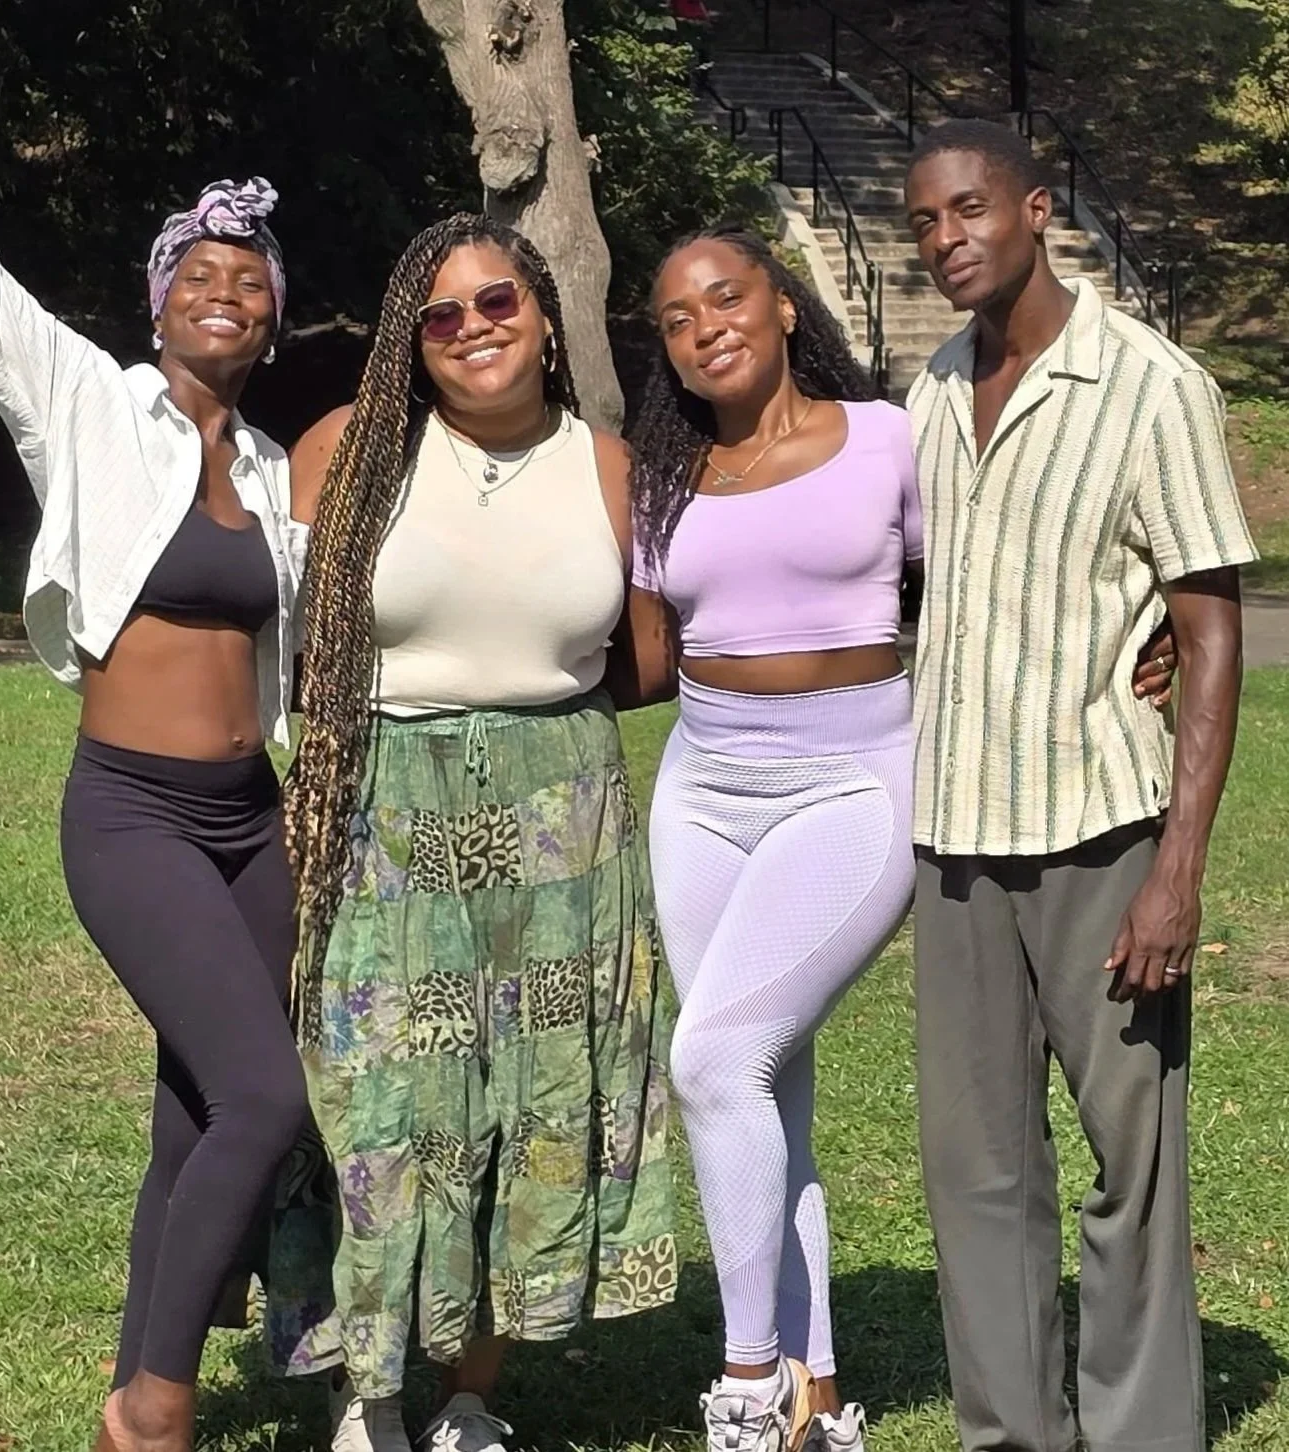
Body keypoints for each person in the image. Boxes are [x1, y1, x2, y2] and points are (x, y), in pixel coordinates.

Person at [0, 166, 310, 1452]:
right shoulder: (85, 397)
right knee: (264, 1098)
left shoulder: (272, 470)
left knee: (192, 1115)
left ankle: (136, 1386)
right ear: (157, 304)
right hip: (134, 814)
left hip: (255, 822)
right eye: (199, 274)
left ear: (273, 320)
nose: (224, 293)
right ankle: (156, 1407)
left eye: (249, 282)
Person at [273, 213, 677, 1452]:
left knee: (529, 1093)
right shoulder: (348, 449)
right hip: (384, 806)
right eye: (437, 314)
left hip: (562, 819)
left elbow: (649, 659)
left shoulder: (607, 467)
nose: (470, 329)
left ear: (545, 318)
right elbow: (283, 639)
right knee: (376, 1092)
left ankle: (467, 1395)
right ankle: (368, 1387)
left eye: (496, 302)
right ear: (411, 340)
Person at [903, 119, 1254, 1452]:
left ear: (1036, 208)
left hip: (1100, 834)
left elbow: (1207, 630)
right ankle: (1010, 1432)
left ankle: (1140, 1430)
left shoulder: (1151, 386)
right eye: (925, 219)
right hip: (954, 839)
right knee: (976, 1173)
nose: (945, 238)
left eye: (969, 208)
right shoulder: (932, 388)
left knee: (1130, 1166)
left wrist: (1177, 871)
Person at [621, 224, 915, 1452]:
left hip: (851, 786)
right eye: (676, 320)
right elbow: (640, 659)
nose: (705, 328)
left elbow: (986, 585)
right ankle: (817, 1400)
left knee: (710, 1061)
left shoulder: (887, 439)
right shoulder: (660, 478)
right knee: (759, 1087)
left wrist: (1144, 636)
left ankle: (746, 1382)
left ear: (783, 304)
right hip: (701, 792)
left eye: (725, 297)